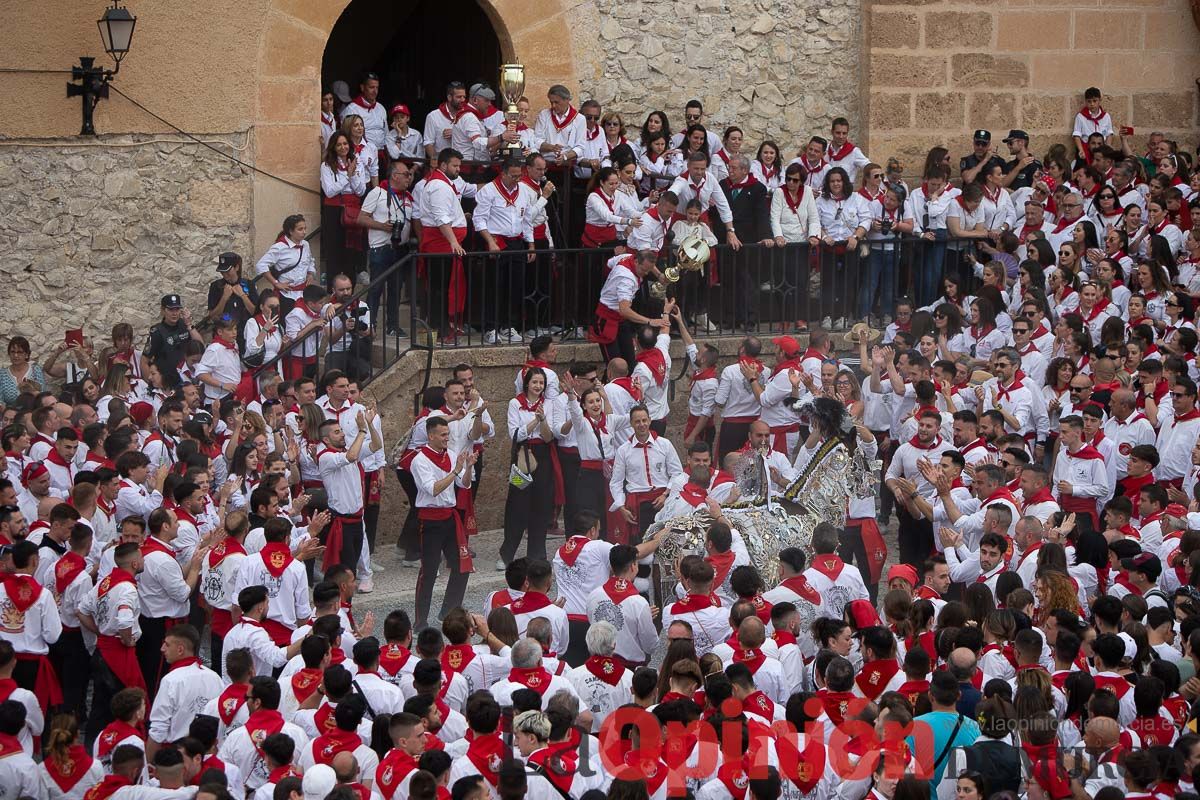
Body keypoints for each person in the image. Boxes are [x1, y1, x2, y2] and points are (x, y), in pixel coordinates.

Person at [410, 416, 475, 629]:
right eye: (443, 434)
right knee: (428, 572)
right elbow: (433, 489)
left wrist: (469, 467)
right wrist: (456, 469)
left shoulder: (451, 455)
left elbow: (463, 485)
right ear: (431, 436)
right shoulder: (419, 460)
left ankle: (448, 611)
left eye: (448, 434)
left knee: (462, 567)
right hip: (429, 521)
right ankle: (420, 622)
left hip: (449, 517)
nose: (448, 438)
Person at [317, 408, 381, 571]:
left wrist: (370, 425)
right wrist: (361, 430)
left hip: (357, 520)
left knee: (351, 567)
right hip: (341, 521)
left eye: (342, 430)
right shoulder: (326, 457)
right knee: (346, 568)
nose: (343, 434)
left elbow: (376, 445)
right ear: (326, 439)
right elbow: (351, 457)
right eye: (337, 432)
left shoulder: (351, 451)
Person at [256, 214, 317, 319]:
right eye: (300, 229)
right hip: (286, 295)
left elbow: (310, 261)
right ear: (290, 231)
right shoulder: (279, 247)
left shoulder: (305, 244)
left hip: (303, 293)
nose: (304, 232)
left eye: (305, 228)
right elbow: (261, 265)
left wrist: (310, 274)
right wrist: (276, 283)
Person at [207, 252, 260, 339]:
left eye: (228, 271)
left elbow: (255, 312)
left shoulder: (249, 284)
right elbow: (213, 316)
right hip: (225, 334)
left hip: (246, 333)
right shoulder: (216, 286)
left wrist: (243, 295)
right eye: (222, 271)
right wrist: (224, 298)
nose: (224, 274)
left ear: (237, 267)